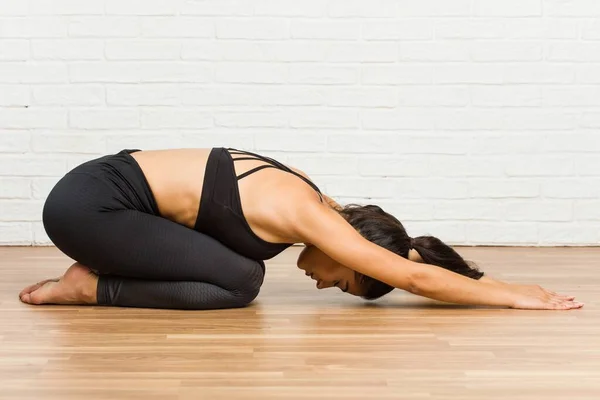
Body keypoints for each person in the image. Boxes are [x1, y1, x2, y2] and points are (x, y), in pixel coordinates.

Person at [19, 147, 583, 311]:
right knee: (242, 281)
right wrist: (511, 295)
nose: (323, 284)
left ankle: (100, 273)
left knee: (241, 271)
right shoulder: (308, 215)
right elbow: (413, 279)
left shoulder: (313, 198)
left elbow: (408, 266)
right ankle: (89, 288)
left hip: (96, 197)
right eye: (344, 280)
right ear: (356, 249)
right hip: (90, 207)